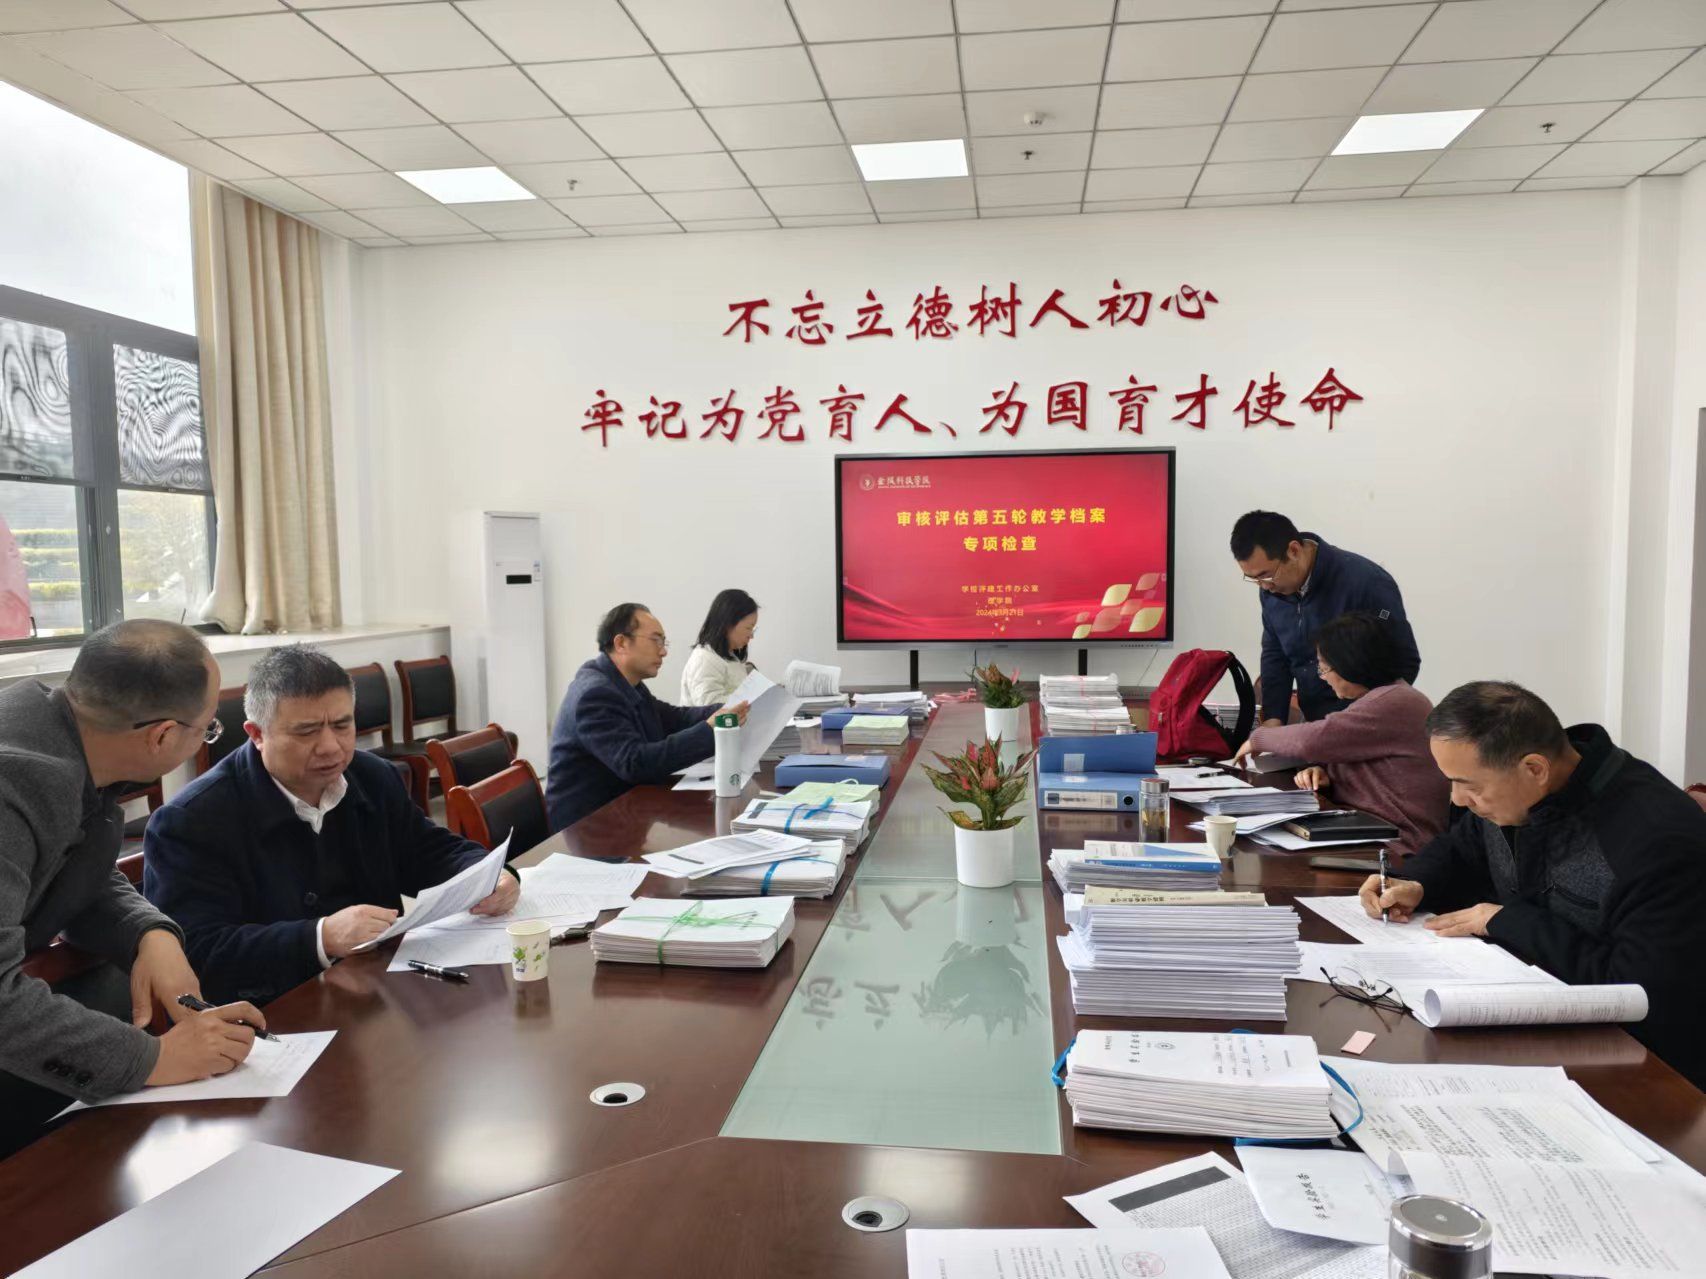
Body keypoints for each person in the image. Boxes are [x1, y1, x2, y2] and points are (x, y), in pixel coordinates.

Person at [0, 620, 267, 1157]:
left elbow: (71, 868)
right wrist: (154, 1059)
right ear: (162, 735)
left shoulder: (61, 728)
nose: (206, 739)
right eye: (207, 729)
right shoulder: (19, 784)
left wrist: (149, 933)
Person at [1361, 681, 1706, 1088]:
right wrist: (1416, 882)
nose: (1456, 800)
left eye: (1469, 785)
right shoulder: (1514, 796)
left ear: (1535, 769)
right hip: (1536, 1017)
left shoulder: (1655, 839)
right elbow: (1463, 848)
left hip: (1645, 1070)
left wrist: (1507, 922)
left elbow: (1641, 993)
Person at [144, 644, 519, 1007]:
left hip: (375, 995)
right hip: (268, 1013)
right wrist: (320, 937)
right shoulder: (192, 820)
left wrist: (490, 874)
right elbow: (197, 950)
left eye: (342, 725)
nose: (330, 747)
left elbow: (426, 850)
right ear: (257, 734)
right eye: (306, 732)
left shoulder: (373, 777)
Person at [1233, 612, 1447, 856]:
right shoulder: (1388, 696)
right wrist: (1327, 773)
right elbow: (1370, 765)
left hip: (1397, 844)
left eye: (1324, 668)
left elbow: (1312, 740)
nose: (1323, 677)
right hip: (1368, 830)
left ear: (1349, 664)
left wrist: (1258, 738)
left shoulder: (1396, 702)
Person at [546, 602, 749, 832]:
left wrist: (727, 710)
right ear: (621, 643)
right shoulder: (595, 694)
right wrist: (711, 730)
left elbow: (675, 718)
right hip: (588, 828)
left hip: (623, 811)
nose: (663, 651)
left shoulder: (624, 683)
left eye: (664, 642)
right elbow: (635, 763)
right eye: (656, 640)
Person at [1230, 510, 1419, 724]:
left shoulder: (1367, 582)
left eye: (1266, 575)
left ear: (1293, 550)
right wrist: (1273, 718)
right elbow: (1276, 654)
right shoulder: (1272, 590)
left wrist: (1361, 717)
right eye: (1253, 579)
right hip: (1314, 721)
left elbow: (1404, 661)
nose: (1264, 586)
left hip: (1363, 723)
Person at [681, 589, 759, 706]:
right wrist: (752, 699)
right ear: (727, 624)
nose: (751, 635)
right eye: (748, 628)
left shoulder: (730, 657)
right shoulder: (704, 659)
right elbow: (709, 706)